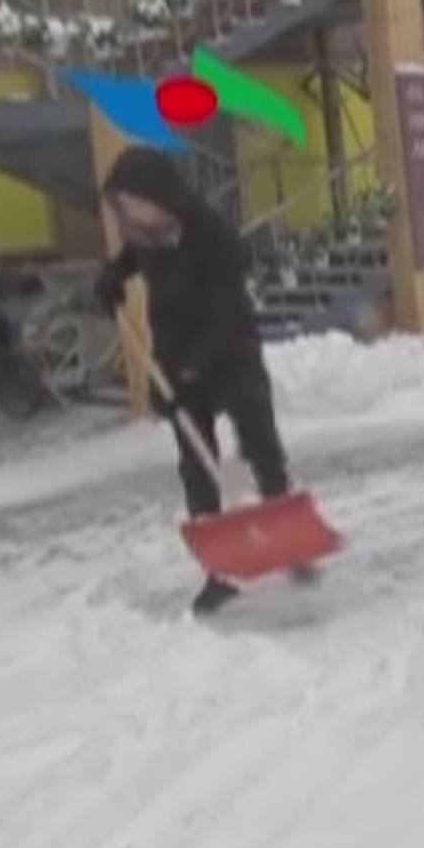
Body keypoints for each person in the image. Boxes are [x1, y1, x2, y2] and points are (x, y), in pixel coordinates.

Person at [94, 146, 298, 617]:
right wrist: (113, 276)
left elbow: (226, 310)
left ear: (157, 194)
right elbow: (132, 257)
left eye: (131, 202)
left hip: (230, 353)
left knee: (260, 446)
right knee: (197, 467)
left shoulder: (214, 235)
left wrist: (193, 371)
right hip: (175, 356)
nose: (128, 215)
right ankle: (220, 572)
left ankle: (290, 543)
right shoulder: (146, 236)